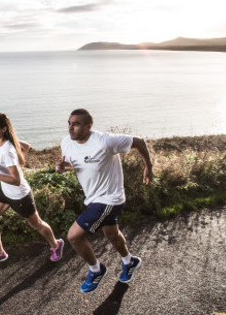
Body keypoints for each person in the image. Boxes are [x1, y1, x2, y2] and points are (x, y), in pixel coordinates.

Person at [55, 108, 153, 293]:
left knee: (74, 236)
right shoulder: (67, 142)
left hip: (110, 198)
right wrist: (62, 168)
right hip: (92, 198)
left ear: (88, 126)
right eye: (69, 123)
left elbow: (139, 141)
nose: (70, 128)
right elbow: (74, 165)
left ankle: (96, 269)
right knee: (112, 234)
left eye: (76, 124)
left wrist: (148, 166)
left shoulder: (105, 141)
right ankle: (129, 261)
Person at [0, 113, 64, 269]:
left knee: (36, 224)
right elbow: (26, 146)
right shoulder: (3, 143)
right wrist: (20, 161)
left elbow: (16, 180)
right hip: (5, 191)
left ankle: (56, 244)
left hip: (20, 195)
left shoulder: (7, 151)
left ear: (4, 129)